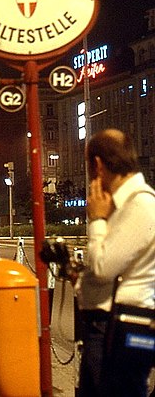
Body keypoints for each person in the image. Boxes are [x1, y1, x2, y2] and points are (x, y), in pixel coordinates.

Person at [75, 128, 155, 397]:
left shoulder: (140, 205)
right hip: (108, 325)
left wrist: (97, 219)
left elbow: (103, 267)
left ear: (97, 165)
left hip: (119, 327)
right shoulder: (122, 205)